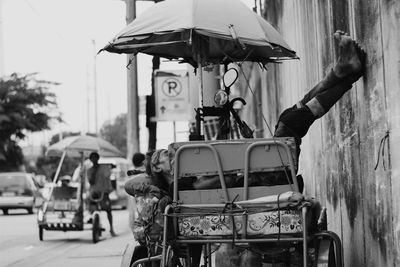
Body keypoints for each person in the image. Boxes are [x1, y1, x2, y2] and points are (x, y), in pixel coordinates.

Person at [274, 31, 366, 161]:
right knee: (290, 122)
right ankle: (348, 76)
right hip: (277, 158)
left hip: (273, 149)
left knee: (290, 113)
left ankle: (341, 70)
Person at [87, 152, 116, 236]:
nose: (94, 159)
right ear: (90, 160)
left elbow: (109, 177)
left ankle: (111, 228)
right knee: (91, 206)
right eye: (92, 158)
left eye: (95, 158)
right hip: (94, 192)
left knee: (108, 210)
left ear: (98, 158)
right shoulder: (89, 170)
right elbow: (90, 181)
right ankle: (95, 224)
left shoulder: (104, 168)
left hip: (104, 193)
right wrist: (94, 171)